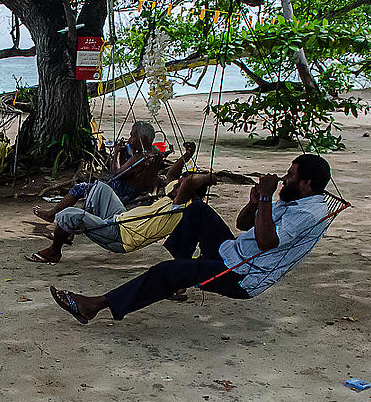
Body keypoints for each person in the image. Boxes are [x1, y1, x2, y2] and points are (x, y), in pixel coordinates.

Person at [49, 154, 333, 323]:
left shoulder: (308, 214)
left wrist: (268, 198)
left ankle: (95, 306)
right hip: (233, 251)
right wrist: (255, 202)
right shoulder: (292, 197)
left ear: (307, 183)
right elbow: (243, 224)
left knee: (165, 271)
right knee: (197, 211)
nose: (284, 178)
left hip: (243, 275)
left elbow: (266, 243)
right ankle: (182, 277)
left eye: (291, 175)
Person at [28, 148, 212, 263]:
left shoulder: (182, 208)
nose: (176, 185)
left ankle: (54, 251)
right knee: (102, 189)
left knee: (69, 214)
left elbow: (187, 184)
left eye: (181, 185)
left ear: (189, 191)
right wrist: (186, 156)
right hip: (120, 218)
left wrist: (211, 177)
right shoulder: (175, 194)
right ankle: (69, 231)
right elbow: (172, 175)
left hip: (120, 236)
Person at [34, 123, 169, 225]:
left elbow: (115, 174)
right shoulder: (155, 151)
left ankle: (52, 215)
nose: (130, 139)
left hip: (123, 192)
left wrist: (117, 153)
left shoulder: (138, 158)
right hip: (139, 190)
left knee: (79, 188)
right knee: (92, 188)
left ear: (143, 139)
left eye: (133, 136)